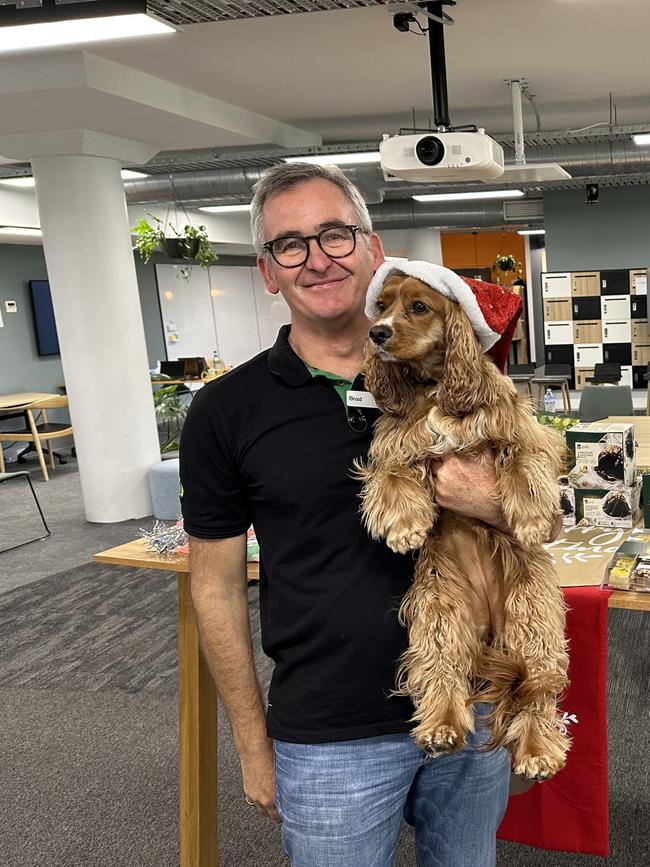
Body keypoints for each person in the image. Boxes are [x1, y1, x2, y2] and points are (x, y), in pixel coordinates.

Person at [179, 163, 539, 866]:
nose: (317, 259)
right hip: (330, 732)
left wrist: (482, 498)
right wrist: (255, 746)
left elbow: (544, 524)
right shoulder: (226, 412)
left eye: (335, 234)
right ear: (267, 272)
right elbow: (214, 586)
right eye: (291, 244)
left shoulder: (462, 386)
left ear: (373, 250)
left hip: (469, 703)